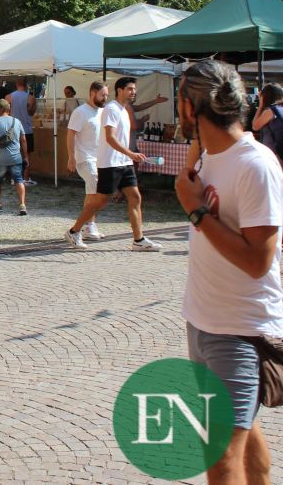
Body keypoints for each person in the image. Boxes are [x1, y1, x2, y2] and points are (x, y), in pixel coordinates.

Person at [174, 59, 283, 484]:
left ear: (189, 107)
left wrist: (196, 211)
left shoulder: (255, 165)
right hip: (203, 320)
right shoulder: (207, 155)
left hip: (241, 330)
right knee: (245, 434)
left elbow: (259, 261)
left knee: (220, 456)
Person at [96, 77, 160, 251]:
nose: (134, 92)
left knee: (135, 197)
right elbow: (110, 138)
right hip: (110, 162)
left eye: (134, 89)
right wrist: (131, 153)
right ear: (120, 90)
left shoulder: (125, 109)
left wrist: (129, 156)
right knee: (101, 201)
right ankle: (75, 230)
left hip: (124, 162)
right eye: (130, 89)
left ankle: (138, 240)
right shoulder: (111, 109)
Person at [63, 81, 109, 249]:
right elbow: (70, 134)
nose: (105, 98)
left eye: (107, 95)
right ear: (93, 93)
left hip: (98, 158)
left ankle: (89, 225)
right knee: (95, 190)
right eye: (102, 95)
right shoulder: (80, 111)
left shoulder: (103, 111)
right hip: (84, 157)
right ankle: (80, 229)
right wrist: (71, 157)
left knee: (92, 192)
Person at [0, 99, 28, 215]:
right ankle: (22, 205)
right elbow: (23, 140)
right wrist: (26, 156)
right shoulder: (17, 121)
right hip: (15, 157)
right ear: (8, 109)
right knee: (19, 180)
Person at [8, 78, 37, 185]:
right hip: (26, 129)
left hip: (13, 129)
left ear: (16, 84)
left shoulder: (8, 97)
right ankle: (25, 178)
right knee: (26, 154)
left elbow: (6, 113)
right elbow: (31, 113)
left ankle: (14, 178)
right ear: (26, 85)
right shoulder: (31, 98)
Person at [252, 82, 283, 164]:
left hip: (274, 155)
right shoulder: (280, 108)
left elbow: (255, 126)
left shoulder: (271, 111)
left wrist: (261, 104)